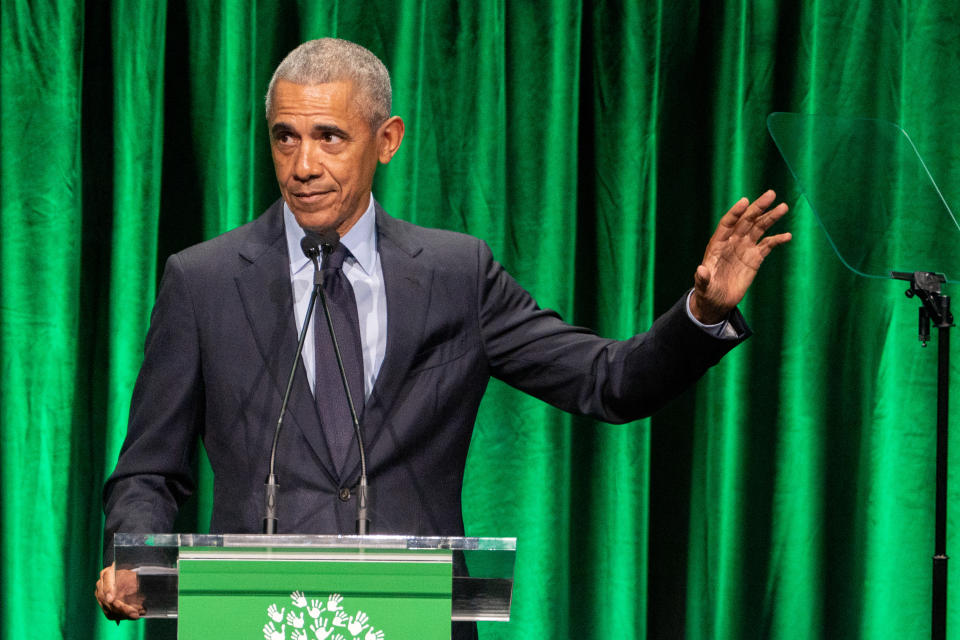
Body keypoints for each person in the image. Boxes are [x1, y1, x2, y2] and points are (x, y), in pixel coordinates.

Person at [95, 38, 791, 632]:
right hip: (248, 624)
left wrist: (700, 311)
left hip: (412, 622)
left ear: (387, 140)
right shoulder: (204, 279)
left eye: (329, 137)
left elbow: (608, 381)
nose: (302, 165)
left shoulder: (458, 275)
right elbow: (148, 469)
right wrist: (134, 556)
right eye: (286, 137)